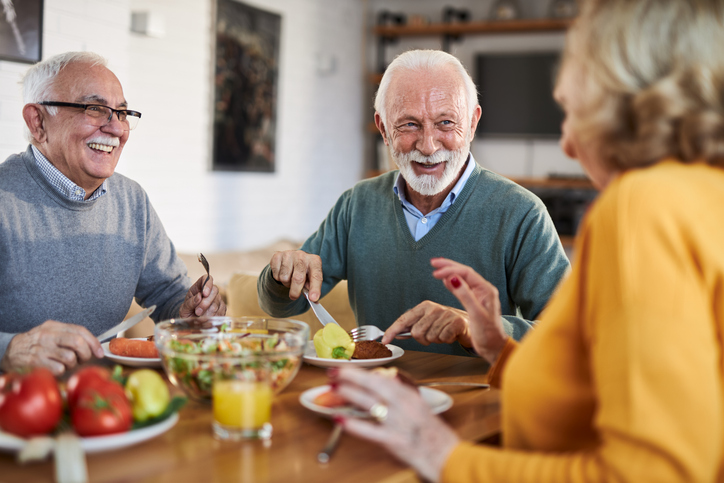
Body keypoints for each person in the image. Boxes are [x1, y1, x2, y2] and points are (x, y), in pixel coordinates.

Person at [329, 0, 724, 481]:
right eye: (410, 124)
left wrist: (435, 451)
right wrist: (497, 346)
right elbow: (600, 392)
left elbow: (653, 474)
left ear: (628, 105)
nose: (568, 145)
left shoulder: (642, 207)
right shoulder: (701, 196)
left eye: (575, 112)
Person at [257, 49, 569, 356]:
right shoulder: (357, 205)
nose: (428, 146)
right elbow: (284, 304)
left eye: (446, 123)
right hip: (373, 398)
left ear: (472, 123)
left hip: (475, 401)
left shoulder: (521, 213)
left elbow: (568, 334)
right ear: (383, 129)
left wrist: (477, 327)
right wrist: (282, 274)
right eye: (409, 125)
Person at [0, 51, 226, 375]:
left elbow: (169, 296)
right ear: (38, 122)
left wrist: (191, 312)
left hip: (105, 400)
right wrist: (10, 351)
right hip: (17, 408)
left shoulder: (132, 201)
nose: (117, 129)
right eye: (95, 109)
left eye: (121, 113)